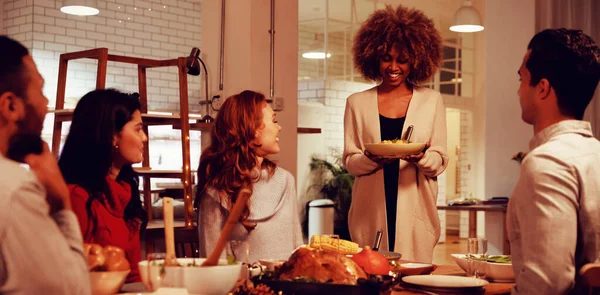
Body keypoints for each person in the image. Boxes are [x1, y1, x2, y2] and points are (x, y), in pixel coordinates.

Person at [343, 5, 448, 262]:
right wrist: (371, 158)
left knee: (414, 278)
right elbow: (350, 161)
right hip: (370, 207)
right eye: (386, 58)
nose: (393, 66)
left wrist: (421, 157)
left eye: (402, 60)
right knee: (371, 277)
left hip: (415, 205)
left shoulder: (431, 101)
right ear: (373, 57)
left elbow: (440, 158)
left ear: (416, 60)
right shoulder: (356, 103)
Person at [508, 28, 600, 294]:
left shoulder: (547, 162)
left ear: (543, 88)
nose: (519, 91)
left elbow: (547, 285)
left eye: (522, 79)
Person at [0, 36, 90, 294]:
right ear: (11, 105)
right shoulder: (14, 189)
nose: (45, 103)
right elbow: (72, 289)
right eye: (39, 90)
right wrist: (62, 205)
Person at [195, 90, 302, 262]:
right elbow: (213, 263)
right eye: (274, 121)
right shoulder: (217, 190)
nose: (279, 127)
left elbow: (297, 247)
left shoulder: (286, 180)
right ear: (252, 130)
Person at [58, 89, 148, 283]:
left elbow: (132, 274)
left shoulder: (125, 194)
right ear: (112, 136)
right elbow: (71, 274)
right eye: (138, 129)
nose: (144, 138)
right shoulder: (76, 197)